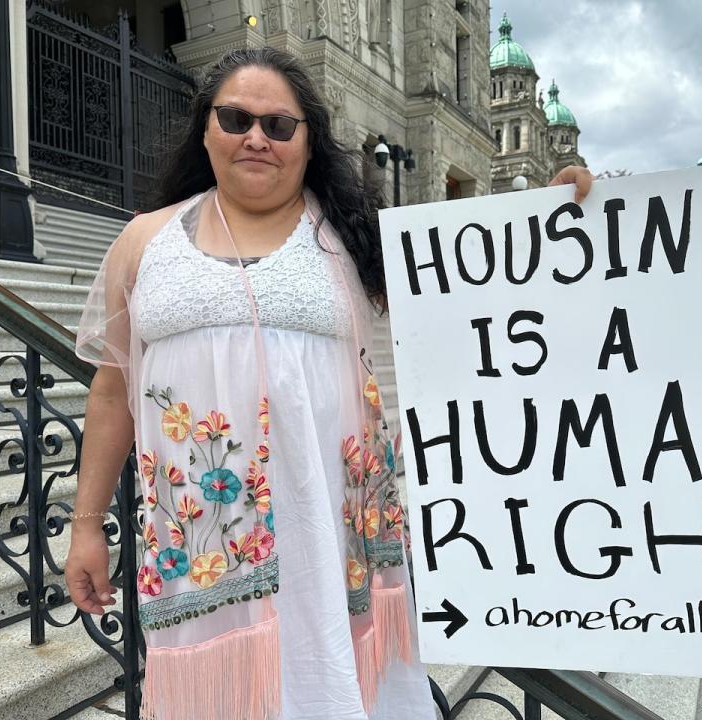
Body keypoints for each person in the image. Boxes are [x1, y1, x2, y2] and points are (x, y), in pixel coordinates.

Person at [64, 47, 594, 720]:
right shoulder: (144, 241)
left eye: (279, 125)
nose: (256, 137)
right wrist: (86, 525)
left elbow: (484, 280)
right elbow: (113, 392)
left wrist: (554, 212)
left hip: (332, 541)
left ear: (309, 142)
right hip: (206, 554)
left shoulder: (357, 239)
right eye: (235, 118)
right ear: (205, 130)